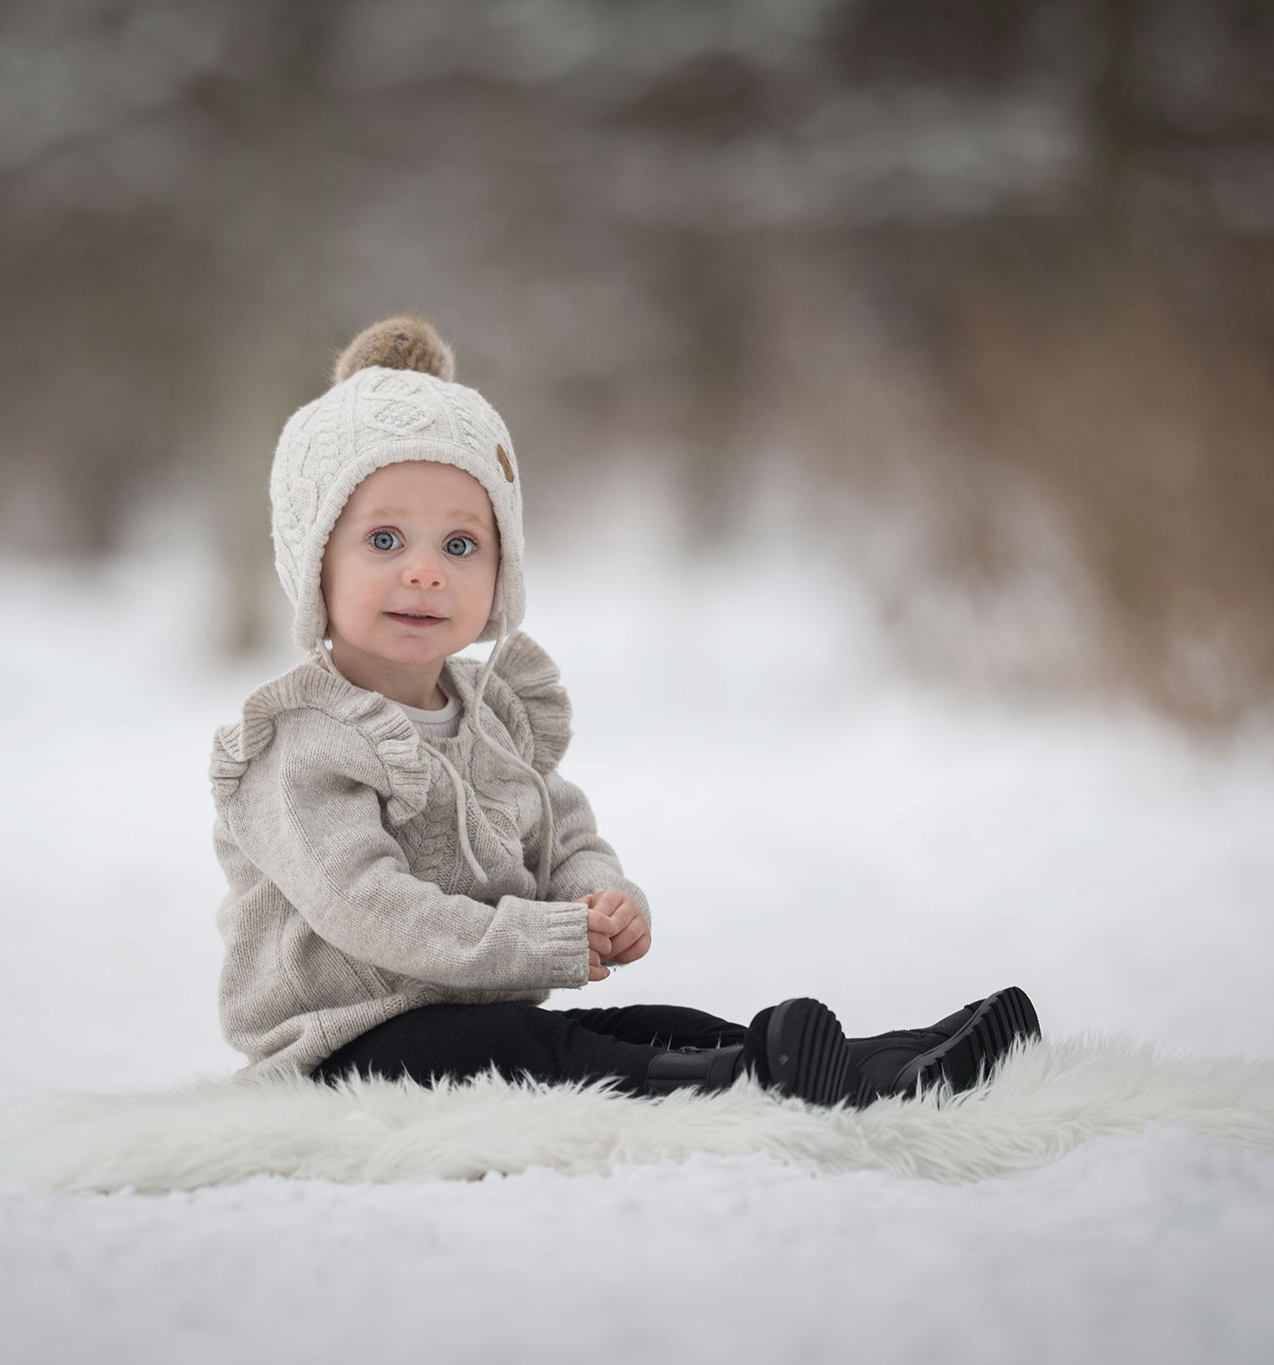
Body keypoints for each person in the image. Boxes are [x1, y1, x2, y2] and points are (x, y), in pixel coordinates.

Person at [210, 314, 1039, 1107]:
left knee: (651, 1025)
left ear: (503, 571)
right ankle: (751, 1084)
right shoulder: (301, 744)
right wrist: (546, 940)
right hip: (342, 1050)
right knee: (554, 1055)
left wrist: (599, 897)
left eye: (460, 545)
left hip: (479, 1018)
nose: (426, 572)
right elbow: (368, 905)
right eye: (385, 540)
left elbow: (565, 833)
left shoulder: (490, 717)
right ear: (313, 560)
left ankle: (879, 1063)